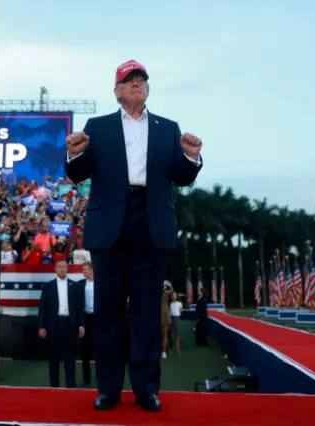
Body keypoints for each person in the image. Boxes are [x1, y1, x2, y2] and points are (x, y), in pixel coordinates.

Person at [64, 59, 203, 412]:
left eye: (141, 78)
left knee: (145, 312)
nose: (136, 83)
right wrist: (74, 152)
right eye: (129, 80)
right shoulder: (98, 127)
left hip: (151, 222)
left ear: (147, 87)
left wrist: (191, 157)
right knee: (108, 311)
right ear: (117, 91)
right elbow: (77, 174)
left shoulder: (168, 129)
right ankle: (108, 389)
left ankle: (146, 390)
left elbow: (182, 177)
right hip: (110, 223)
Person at [37, 259, 85, 388]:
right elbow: (42, 308)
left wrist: (81, 325)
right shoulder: (48, 286)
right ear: (55, 269)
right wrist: (41, 326)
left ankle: (71, 384)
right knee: (53, 357)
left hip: (70, 324)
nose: (62, 269)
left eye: (64, 267)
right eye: (60, 267)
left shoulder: (75, 286)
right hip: (53, 325)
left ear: (67, 269)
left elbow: (80, 307)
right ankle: (54, 385)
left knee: (69, 357)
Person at [79, 261, 95, 386]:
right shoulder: (81, 285)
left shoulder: (101, 284)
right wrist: (81, 324)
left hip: (99, 318)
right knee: (85, 350)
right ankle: (86, 378)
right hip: (86, 318)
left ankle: (103, 377)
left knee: (102, 349)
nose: (83, 272)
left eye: (85, 269)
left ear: (91, 270)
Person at [161, 281, 172, 359]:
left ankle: (164, 352)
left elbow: (170, 292)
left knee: (165, 333)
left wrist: (170, 285)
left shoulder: (165, 292)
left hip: (165, 312)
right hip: (158, 312)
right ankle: (161, 351)